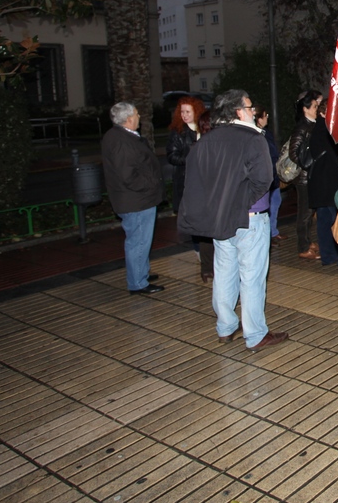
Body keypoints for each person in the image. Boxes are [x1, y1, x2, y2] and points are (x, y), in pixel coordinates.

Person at [177, 89, 286, 350]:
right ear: (239, 111)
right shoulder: (253, 138)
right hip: (250, 218)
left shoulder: (206, 140)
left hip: (219, 218)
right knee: (252, 277)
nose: (253, 112)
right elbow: (264, 179)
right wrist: (240, 202)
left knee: (224, 273)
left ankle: (225, 327)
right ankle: (256, 334)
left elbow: (195, 180)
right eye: (250, 108)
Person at [101, 101, 165, 294]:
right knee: (138, 241)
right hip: (136, 200)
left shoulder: (120, 136)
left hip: (136, 199)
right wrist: (151, 184)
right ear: (129, 119)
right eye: (137, 114)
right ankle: (138, 282)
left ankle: (140, 273)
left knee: (140, 240)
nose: (139, 117)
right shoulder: (121, 141)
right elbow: (128, 175)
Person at [166, 95, 214, 282]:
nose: (184, 115)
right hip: (187, 180)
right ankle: (201, 255)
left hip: (207, 182)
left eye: (188, 111)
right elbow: (172, 156)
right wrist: (191, 160)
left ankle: (207, 258)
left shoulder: (206, 128)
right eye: (182, 112)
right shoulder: (178, 132)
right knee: (195, 220)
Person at [305, 98, 338, 267]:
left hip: (319, 184)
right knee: (337, 221)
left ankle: (327, 256)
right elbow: (336, 158)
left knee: (324, 223)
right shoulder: (327, 130)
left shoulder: (315, 129)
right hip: (331, 183)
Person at [288, 90, 322, 260]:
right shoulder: (302, 127)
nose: (317, 108)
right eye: (314, 106)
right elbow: (293, 152)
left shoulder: (312, 124)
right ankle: (303, 246)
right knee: (305, 213)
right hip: (304, 178)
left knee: (309, 212)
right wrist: (307, 163)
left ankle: (308, 242)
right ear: (306, 109)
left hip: (311, 176)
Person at [255, 107, 283, 243]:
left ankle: (273, 230)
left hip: (273, 172)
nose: (267, 118)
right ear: (259, 118)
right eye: (266, 115)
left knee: (276, 201)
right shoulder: (257, 135)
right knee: (269, 203)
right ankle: (269, 232)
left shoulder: (267, 133)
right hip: (267, 174)